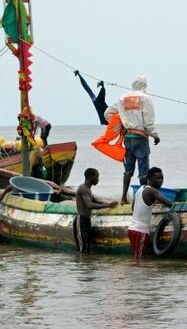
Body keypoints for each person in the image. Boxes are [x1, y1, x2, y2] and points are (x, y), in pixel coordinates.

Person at [104, 75, 160, 204]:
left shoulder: (123, 98)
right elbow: (148, 122)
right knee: (143, 170)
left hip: (128, 137)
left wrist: (121, 125)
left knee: (128, 169)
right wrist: (155, 135)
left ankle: (123, 198)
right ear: (145, 86)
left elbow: (107, 113)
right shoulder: (146, 99)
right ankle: (142, 200)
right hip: (140, 138)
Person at [127, 167, 173, 259]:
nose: (161, 181)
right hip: (141, 231)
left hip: (132, 229)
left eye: (162, 178)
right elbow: (169, 203)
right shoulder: (152, 191)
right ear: (150, 179)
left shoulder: (140, 189)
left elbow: (133, 208)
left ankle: (134, 273)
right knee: (139, 259)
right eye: (158, 178)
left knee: (136, 256)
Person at [74, 168, 118, 253]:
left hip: (87, 220)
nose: (98, 180)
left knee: (88, 247)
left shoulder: (88, 189)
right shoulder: (83, 188)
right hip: (81, 220)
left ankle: (86, 265)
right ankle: (81, 265)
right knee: (83, 248)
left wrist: (110, 204)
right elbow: (90, 205)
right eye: (96, 177)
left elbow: (97, 201)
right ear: (90, 177)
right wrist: (108, 205)